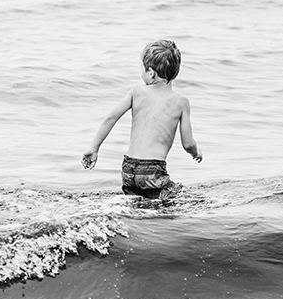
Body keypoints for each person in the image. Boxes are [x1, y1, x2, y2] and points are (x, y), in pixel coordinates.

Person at [81, 39, 202, 200]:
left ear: (150, 72)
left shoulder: (136, 91)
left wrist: (93, 148)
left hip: (128, 169)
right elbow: (188, 143)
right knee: (180, 198)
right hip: (153, 171)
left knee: (138, 204)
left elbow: (111, 118)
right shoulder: (181, 102)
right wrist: (196, 153)